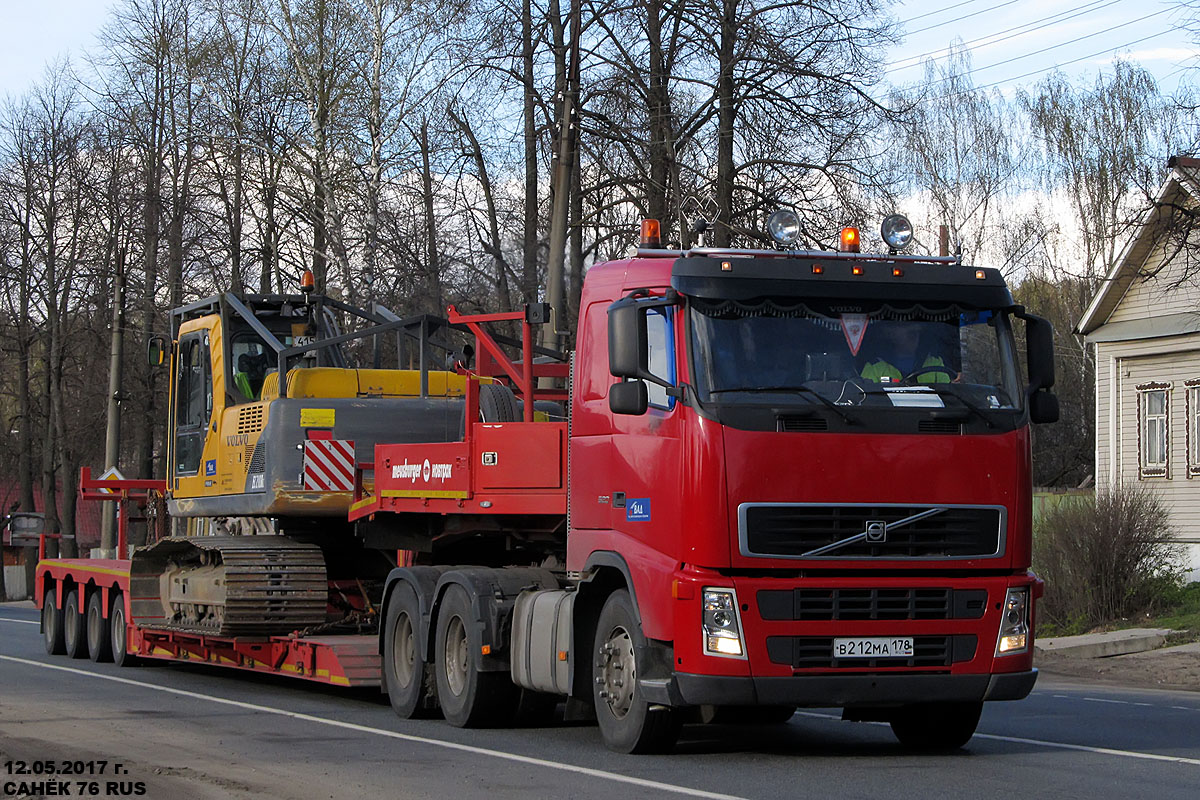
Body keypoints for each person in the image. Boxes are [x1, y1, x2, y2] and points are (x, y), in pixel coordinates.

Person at [860, 320, 957, 384]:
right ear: (890, 334)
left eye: (917, 333)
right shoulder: (874, 368)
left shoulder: (935, 363)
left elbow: (946, 396)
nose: (915, 337)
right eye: (909, 332)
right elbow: (867, 400)